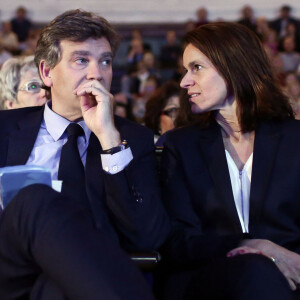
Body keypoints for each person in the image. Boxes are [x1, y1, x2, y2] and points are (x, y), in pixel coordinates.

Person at [0, 9, 169, 299]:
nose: (97, 73)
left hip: (81, 280)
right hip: (10, 274)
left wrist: (108, 139)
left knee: (57, 288)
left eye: (105, 61)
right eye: (81, 60)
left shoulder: (131, 139)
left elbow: (147, 237)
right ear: (46, 72)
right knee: (35, 199)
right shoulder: (4, 129)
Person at [157, 22, 300, 300]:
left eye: (196, 68)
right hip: (212, 279)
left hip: (292, 280)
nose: (185, 81)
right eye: (185, 70)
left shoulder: (295, 140)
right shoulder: (182, 146)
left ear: (234, 66)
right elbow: (179, 242)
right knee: (254, 271)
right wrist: (253, 246)